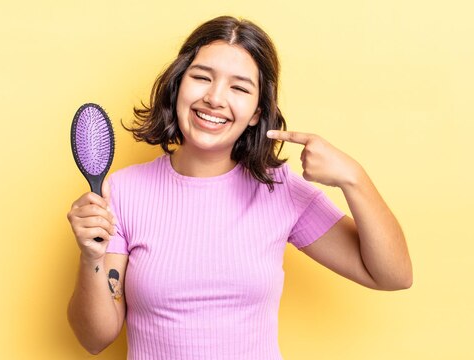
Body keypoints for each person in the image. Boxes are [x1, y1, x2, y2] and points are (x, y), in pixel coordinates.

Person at [66, 15, 412, 359]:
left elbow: (393, 275)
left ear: (257, 112)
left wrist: (354, 178)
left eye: (239, 87)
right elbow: (95, 339)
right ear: (177, 86)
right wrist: (90, 258)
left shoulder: (280, 189)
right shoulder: (123, 193)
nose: (215, 98)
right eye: (202, 77)